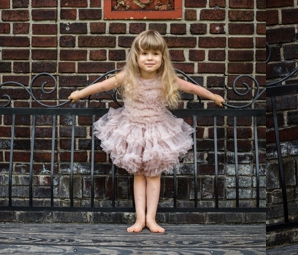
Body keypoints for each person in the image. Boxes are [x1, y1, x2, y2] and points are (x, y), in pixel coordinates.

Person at [68, 30, 224, 233]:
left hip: (157, 131)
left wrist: (213, 96)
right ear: (136, 56)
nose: (150, 58)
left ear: (162, 57)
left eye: (155, 54)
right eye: (144, 53)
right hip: (131, 130)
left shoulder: (166, 78)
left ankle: (151, 219)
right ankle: (139, 219)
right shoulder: (128, 76)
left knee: (153, 175)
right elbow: (103, 85)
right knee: (138, 174)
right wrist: (80, 93)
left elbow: (192, 89)